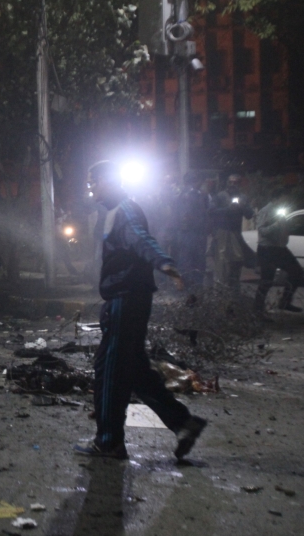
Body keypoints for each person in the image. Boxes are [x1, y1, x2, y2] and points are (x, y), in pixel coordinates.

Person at [75, 160, 206, 461]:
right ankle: (183, 423)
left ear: (107, 181)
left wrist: (164, 263)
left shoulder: (124, 210)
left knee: (108, 369)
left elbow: (141, 239)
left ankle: (108, 442)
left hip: (126, 298)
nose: (90, 186)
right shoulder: (111, 212)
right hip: (127, 297)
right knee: (133, 370)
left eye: (93, 181)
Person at [253, 191, 303, 313]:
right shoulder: (266, 211)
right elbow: (262, 231)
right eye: (284, 198)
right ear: (277, 198)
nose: (286, 201)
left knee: (297, 272)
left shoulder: (281, 211)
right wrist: (277, 224)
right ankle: (257, 309)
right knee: (267, 280)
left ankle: (285, 302)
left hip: (280, 248)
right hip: (268, 249)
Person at [207, 174, 254, 289]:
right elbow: (211, 211)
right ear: (227, 183)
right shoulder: (220, 196)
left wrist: (242, 207)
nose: (233, 185)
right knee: (221, 261)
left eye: (235, 183)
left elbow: (249, 214)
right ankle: (220, 287)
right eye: (230, 182)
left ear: (239, 184)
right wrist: (227, 210)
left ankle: (234, 284)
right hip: (222, 231)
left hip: (236, 232)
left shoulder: (243, 197)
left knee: (237, 259)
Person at [173, 172, 209, 289]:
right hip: (191, 233)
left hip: (190, 233)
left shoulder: (181, 194)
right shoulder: (194, 195)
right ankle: (192, 288)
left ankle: (189, 288)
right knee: (192, 262)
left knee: (188, 261)